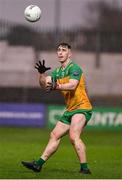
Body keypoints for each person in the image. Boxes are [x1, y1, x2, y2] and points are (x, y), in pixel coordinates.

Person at [21, 42, 93, 174]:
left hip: (82, 107)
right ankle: (38, 164)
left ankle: (85, 169)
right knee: (54, 135)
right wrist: (42, 74)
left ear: (69, 53)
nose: (60, 52)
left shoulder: (74, 68)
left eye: (63, 50)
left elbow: (72, 85)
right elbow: (44, 85)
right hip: (70, 109)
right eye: (58, 50)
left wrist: (56, 86)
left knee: (73, 136)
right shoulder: (58, 72)